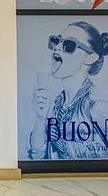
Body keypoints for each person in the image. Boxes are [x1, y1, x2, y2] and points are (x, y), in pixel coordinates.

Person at [30, 21, 108, 159]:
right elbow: (37, 156)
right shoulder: (58, 103)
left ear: (91, 57)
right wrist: (40, 118)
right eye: (56, 41)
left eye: (69, 45)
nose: (57, 47)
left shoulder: (97, 104)